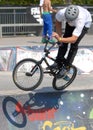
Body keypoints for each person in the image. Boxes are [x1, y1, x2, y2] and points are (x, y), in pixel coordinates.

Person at [51, 5, 92, 77]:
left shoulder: (80, 20)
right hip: (74, 19)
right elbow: (58, 23)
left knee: (74, 45)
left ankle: (67, 67)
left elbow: (73, 39)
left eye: (70, 21)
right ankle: (58, 61)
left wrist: (60, 39)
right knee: (65, 38)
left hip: (86, 23)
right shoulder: (61, 13)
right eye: (67, 20)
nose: (69, 22)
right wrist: (60, 37)